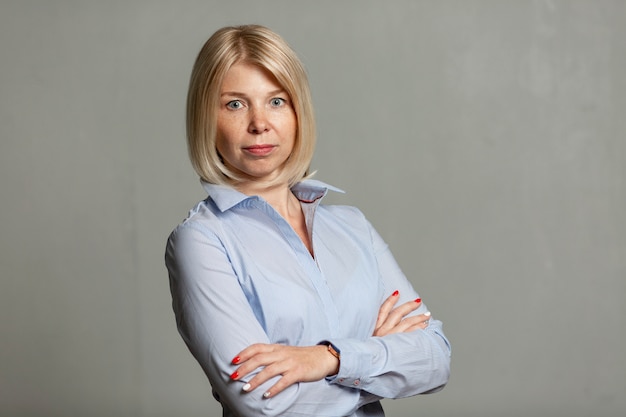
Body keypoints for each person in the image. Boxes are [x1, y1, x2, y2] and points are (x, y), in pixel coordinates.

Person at [165, 24, 451, 417]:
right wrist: (378, 361)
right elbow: (262, 402)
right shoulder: (201, 241)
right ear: (206, 118)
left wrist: (328, 359)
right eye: (235, 104)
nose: (259, 123)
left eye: (277, 101)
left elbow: (435, 360)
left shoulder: (353, 227)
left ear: (299, 111)